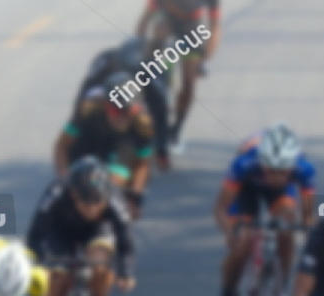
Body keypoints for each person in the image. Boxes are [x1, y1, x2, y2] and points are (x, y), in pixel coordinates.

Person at [212, 124, 316, 296]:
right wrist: (230, 234)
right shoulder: (244, 164)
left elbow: (309, 214)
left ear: (291, 166)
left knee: (286, 228)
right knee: (242, 244)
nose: (276, 177)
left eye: (282, 172)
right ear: (262, 162)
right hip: (246, 190)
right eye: (270, 170)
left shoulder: (303, 169)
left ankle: (279, 291)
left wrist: (309, 230)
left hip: (279, 196)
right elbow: (219, 209)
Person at [26, 157, 136, 296]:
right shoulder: (56, 192)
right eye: (86, 204)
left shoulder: (114, 198)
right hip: (61, 230)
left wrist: (126, 272)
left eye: (98, 204)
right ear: (74, 194)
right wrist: (37, 261)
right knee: (55, 279)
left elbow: (125, 240)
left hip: (98, 230)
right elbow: (36, 233)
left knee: (100, 263)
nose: (92, 210)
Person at [52, 76, 156, 215]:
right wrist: (63, 178)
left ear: (137, 110)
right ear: (104, 105)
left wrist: (135, 197)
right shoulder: (87, 113)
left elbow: (142, 165)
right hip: (87, 145)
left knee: (114, 185)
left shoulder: (143, 125)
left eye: (129, 112)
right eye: (116, 111)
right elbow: (62, 146)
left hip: (121, 147)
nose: (122, 118)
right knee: (79, 189)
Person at [75, 37, 172, 169]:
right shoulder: (102, 67)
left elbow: (160, 111)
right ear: (115, 64)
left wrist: (162, 150)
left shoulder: (151, 74)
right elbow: (82, 99)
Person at [136, 0, 221, 149]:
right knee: (159, 32)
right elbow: (147, 16)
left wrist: (206, 58)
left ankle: (176, 129)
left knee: (189, 82)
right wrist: (137, 45)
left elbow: (215, 26)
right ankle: (152, 106)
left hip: (191, 28)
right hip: (166, 21)